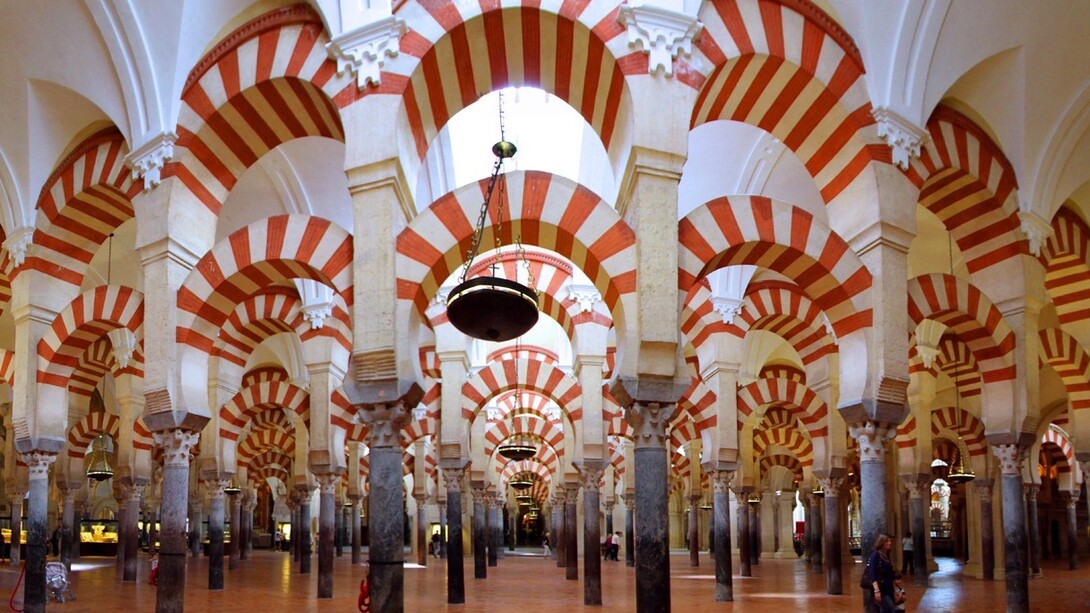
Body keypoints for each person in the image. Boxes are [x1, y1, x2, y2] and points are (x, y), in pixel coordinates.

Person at [862, 533, 896, 613]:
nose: (889, 543)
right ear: (881, 543)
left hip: (889, 590)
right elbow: (872, 573)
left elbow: (890, 574)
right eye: (886, 541)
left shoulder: (886, 555)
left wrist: (896, 589)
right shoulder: (876, 555)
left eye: (890, 541)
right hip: (882, 590)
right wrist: (877, 591)